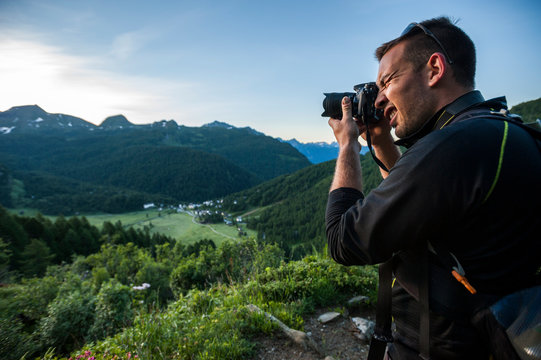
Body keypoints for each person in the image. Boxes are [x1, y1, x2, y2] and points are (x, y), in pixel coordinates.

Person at [325, 16, 541, 360]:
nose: (379, 100)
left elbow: (343, 240)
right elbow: (420, 207)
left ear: (435, 69)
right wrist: (380, 142)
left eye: (387, 82)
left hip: (439, 348)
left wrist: (348, 145)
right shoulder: (501, 130)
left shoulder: (452, 146)